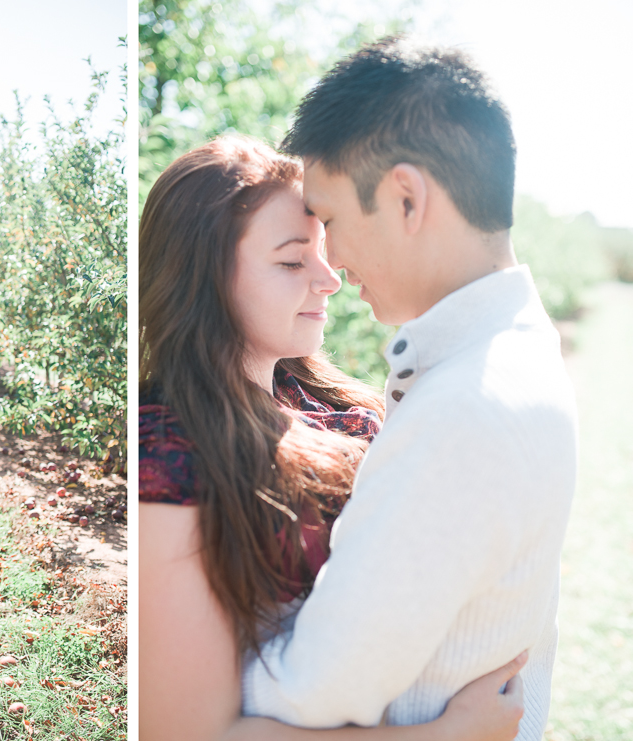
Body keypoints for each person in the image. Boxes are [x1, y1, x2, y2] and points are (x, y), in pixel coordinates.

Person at [240, 38, 577, 737]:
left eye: (328, 221)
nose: (327, 263)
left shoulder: (464, 413)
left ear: (405, 197)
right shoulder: (520, 352)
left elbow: (307, 694)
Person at [140, 136, 526, 741]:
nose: (329, 280)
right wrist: (449, 735)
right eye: (293, 262)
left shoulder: (338, 404)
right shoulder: (167, 453)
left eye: (324, 253)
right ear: (204, 277)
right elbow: (190, 731)